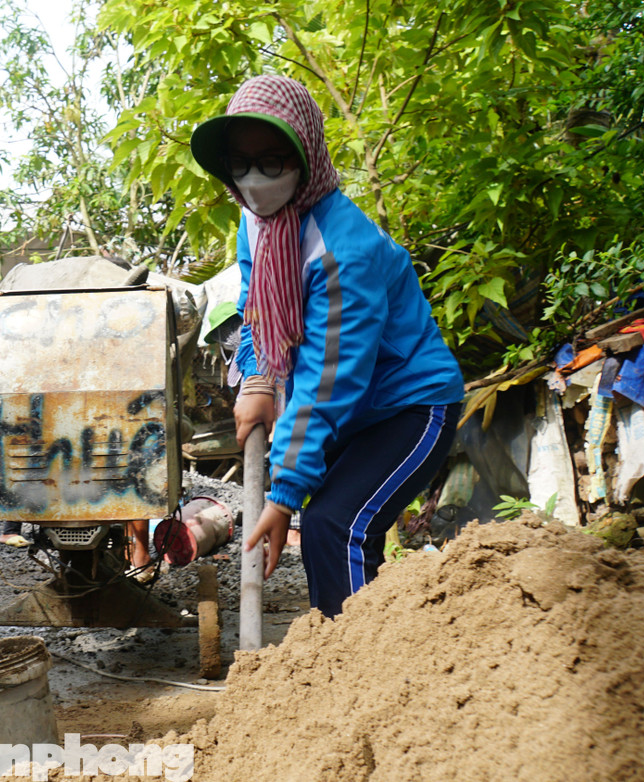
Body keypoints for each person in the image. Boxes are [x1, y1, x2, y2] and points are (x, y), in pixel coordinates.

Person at [190, 75, 463, 618]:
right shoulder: (257, 221)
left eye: (272, 161)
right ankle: (342, 650)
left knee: (336, 526)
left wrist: (284, 491)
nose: (255, 179)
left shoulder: (343, 251)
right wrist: (258, 378)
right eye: (241, 164)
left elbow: (328, 378)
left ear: (306, 154)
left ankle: (356, 662)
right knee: (324, 527)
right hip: (358, 410)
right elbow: (255, 304)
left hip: (411, 406)